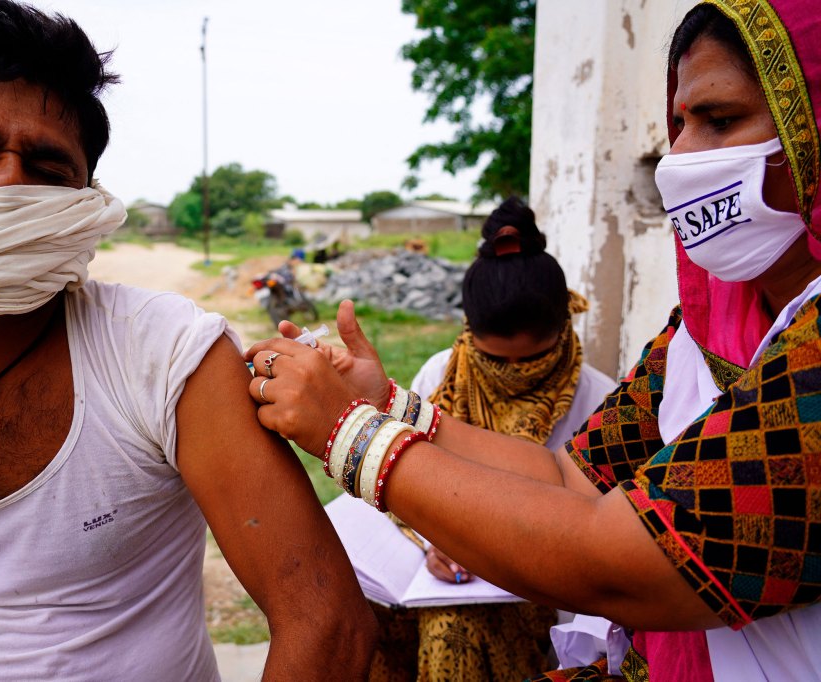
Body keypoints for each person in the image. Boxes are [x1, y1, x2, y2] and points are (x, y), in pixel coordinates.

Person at [0, 2, 376, 680]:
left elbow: (326, 621)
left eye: (45, 167)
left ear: (84, 196)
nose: (7, 185)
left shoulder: (166, 355)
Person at [245, 1, 821, 679]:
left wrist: (350, 434)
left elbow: (611, 560)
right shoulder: (704, 323)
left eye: (720, 121)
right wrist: (387, 406)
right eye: (678, 124)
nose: (681, 158)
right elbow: (569, 478)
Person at [366, 198, 615, 681]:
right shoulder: (440, 375)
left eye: (534, 363)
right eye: (494, 362)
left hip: (543, 590)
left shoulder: (604, 402)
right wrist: (432, 538)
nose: (514, 378)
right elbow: (408, 469)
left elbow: (602, 531)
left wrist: (500, 546)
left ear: (565, 326)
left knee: (451, 629)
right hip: (442, 574)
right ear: (469, 334)